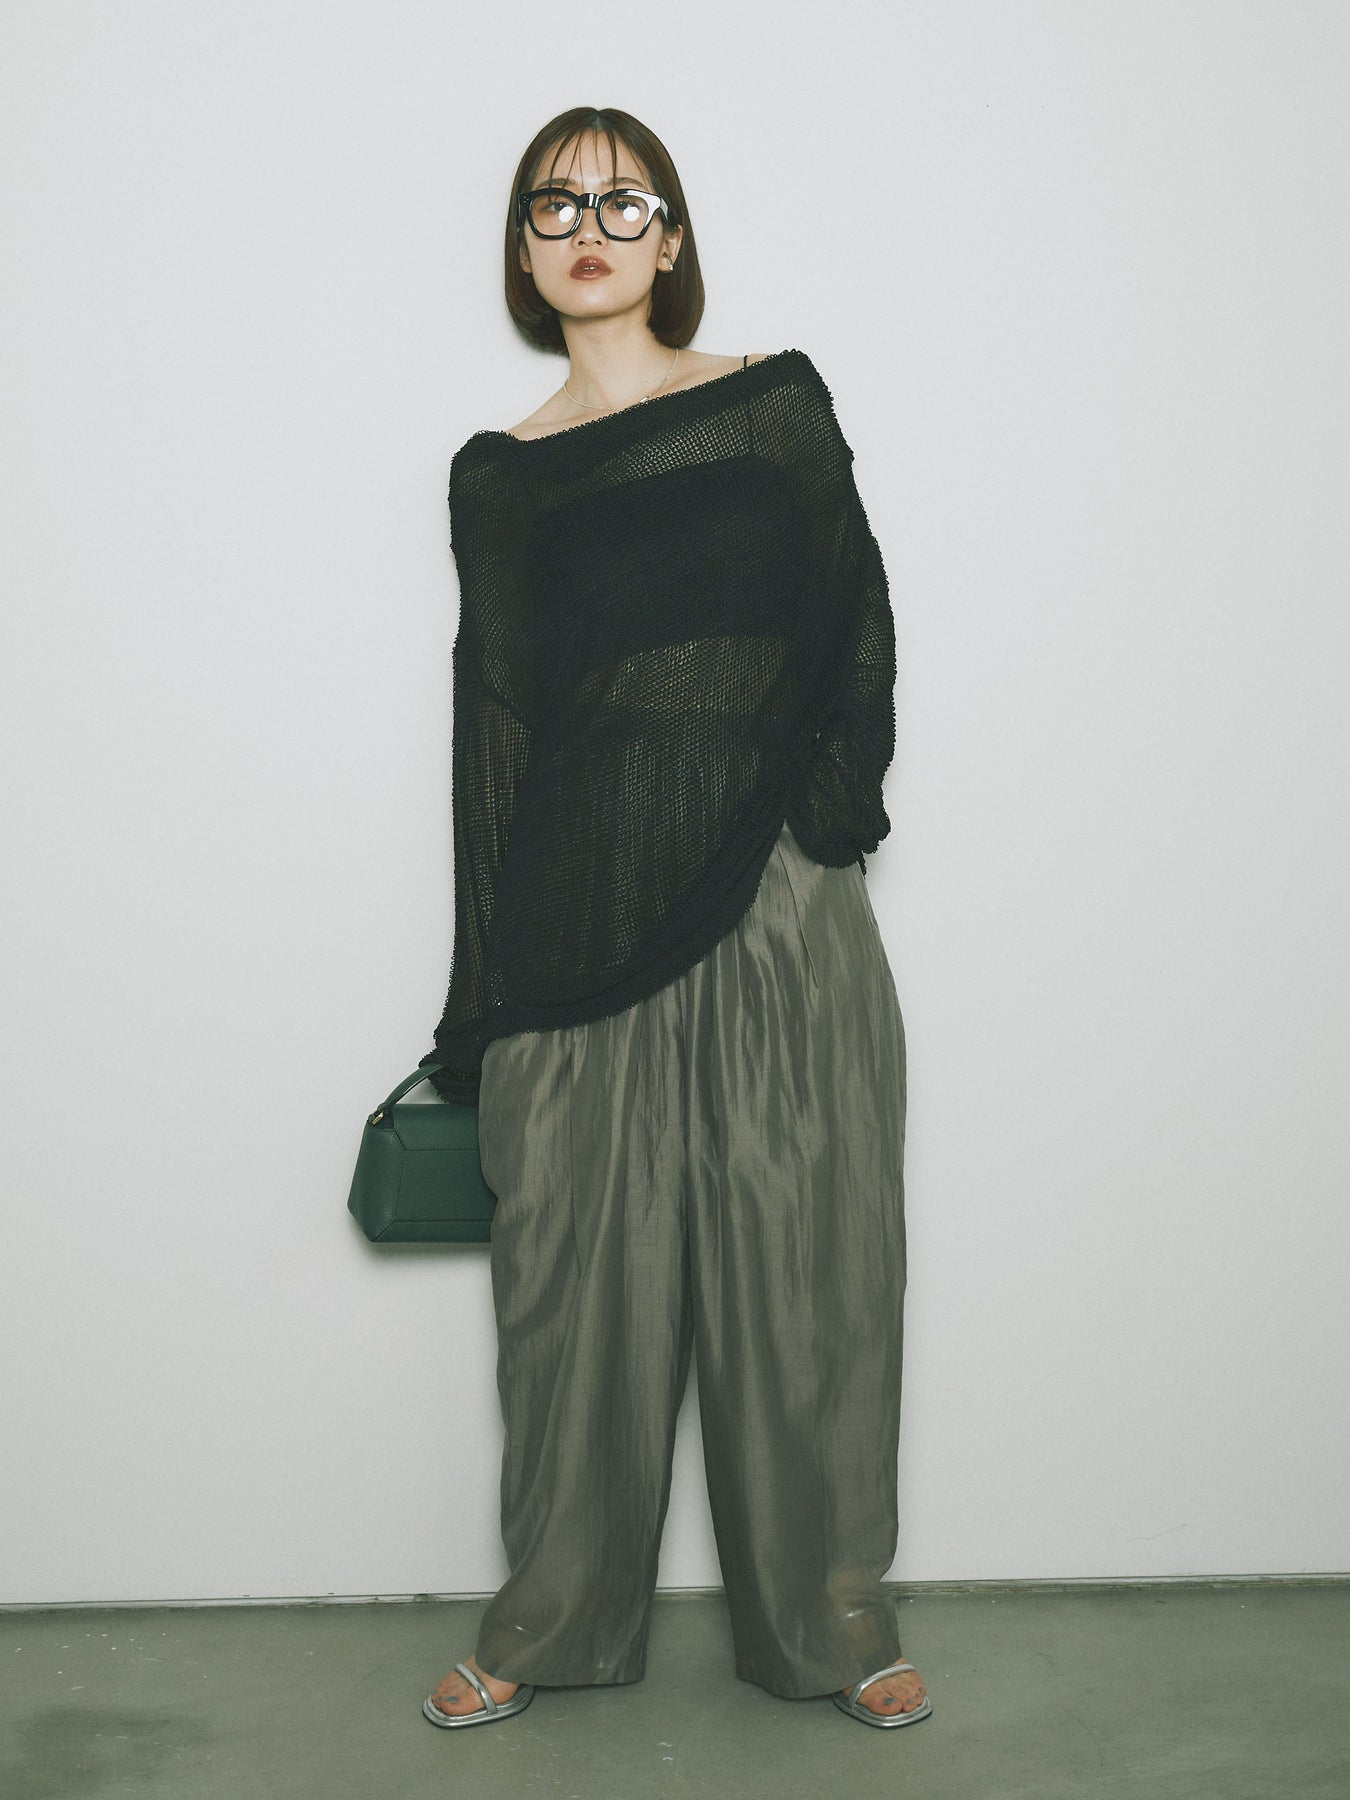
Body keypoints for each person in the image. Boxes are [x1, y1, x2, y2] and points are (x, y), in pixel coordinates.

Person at [419, 106, 931, 1732]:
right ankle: (551, 1619)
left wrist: (819, 819)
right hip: (580, 914)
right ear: (522, 252)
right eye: (554, 204)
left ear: (672, 238)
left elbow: (854, 614)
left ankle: (833, 1624)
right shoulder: (500, 476)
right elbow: (498, 725)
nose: (589, 226)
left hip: (772, 895)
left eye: (623, 201)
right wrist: (487, 989)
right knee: (572, 1294)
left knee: (807, 1268)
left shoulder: (771, 400)